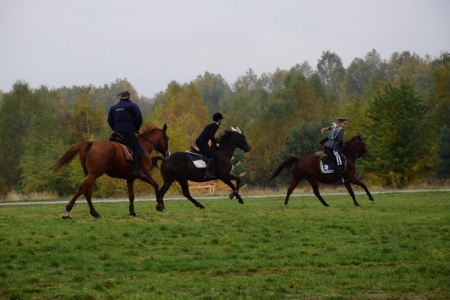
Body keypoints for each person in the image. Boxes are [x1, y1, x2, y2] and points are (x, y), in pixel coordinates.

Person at [108, 91, 147, 179]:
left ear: (121, 98)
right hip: (128, 132)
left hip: (117, 132)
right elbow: (139, 119)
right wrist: (136, 129)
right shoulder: (133, 106)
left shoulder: (113, 107)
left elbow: (109, 120)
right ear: (129, 97)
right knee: (138, 149)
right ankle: (137, 170)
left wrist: (115, 129)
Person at [195, 112, 224, 178]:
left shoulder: (211, 125)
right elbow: (211, 135)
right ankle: (207, 173)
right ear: (219, 120)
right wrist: (216, 143)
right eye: (221, 120)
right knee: (213, 156)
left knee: (208, 153)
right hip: (202, 143)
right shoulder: (215, 126)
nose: (221, 121)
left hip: (200, 142)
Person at [322, 118, 347, 185]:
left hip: (327, 145)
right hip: (333, 147)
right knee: (339, 162)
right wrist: (342, 147)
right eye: (344, 123)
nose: (345, 125)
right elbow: (340, 141)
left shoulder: (335, 127)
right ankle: (339, 179)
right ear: (340, 123)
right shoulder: (341, 129)